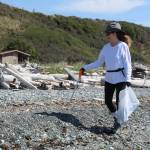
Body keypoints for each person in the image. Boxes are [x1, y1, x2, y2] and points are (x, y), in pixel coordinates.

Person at [79, 21, 132, 133]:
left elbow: (128, 64)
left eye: (109, 32)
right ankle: (117, 118)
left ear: (115, 33)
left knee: (119, 102)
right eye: (106, 32)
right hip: (109, 78)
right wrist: (84, 68)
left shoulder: (123, 46)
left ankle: (117, 123)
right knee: (108, 101)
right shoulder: (105, 47)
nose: (107, 34)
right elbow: (98, 63)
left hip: (121, 78)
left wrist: (128, 79)